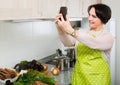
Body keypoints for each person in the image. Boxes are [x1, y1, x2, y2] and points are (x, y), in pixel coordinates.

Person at [55, 3, 114, 85]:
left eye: (94, 16)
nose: (89, 18)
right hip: (79, 76)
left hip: (98, 78)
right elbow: (67, 43)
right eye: (89, 15)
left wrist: (70, 30)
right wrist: (60, 30)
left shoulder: (107, 37)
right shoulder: (82, 32)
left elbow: (93, 43)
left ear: (102, 18)